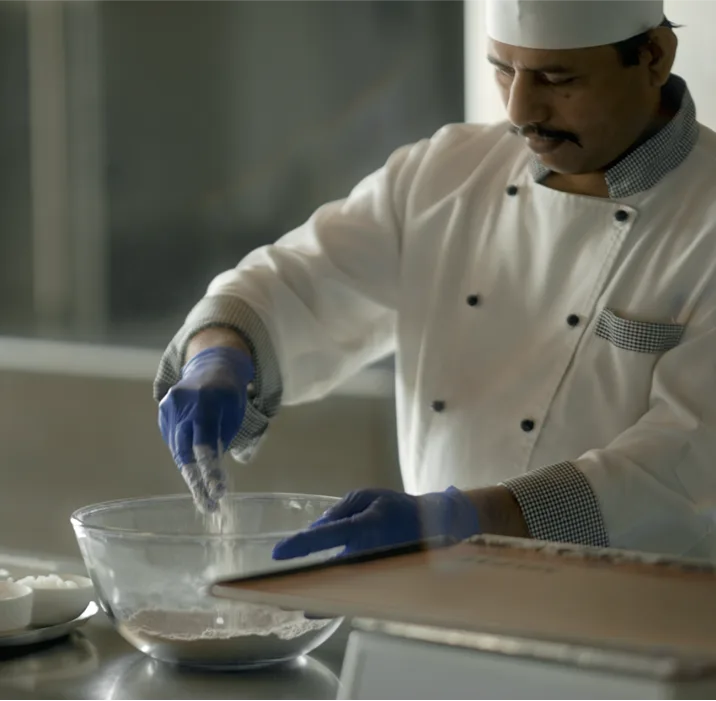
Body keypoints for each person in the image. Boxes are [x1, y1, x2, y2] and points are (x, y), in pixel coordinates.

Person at [156, 0, 716, 561]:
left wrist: (467, 519)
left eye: (557, 78)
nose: (520, 109)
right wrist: (221, 354)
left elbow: (686, 465)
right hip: (441, 589)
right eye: (503, 69)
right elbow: (301, 278)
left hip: (636, 602)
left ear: (654, 57)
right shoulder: (448, 171)